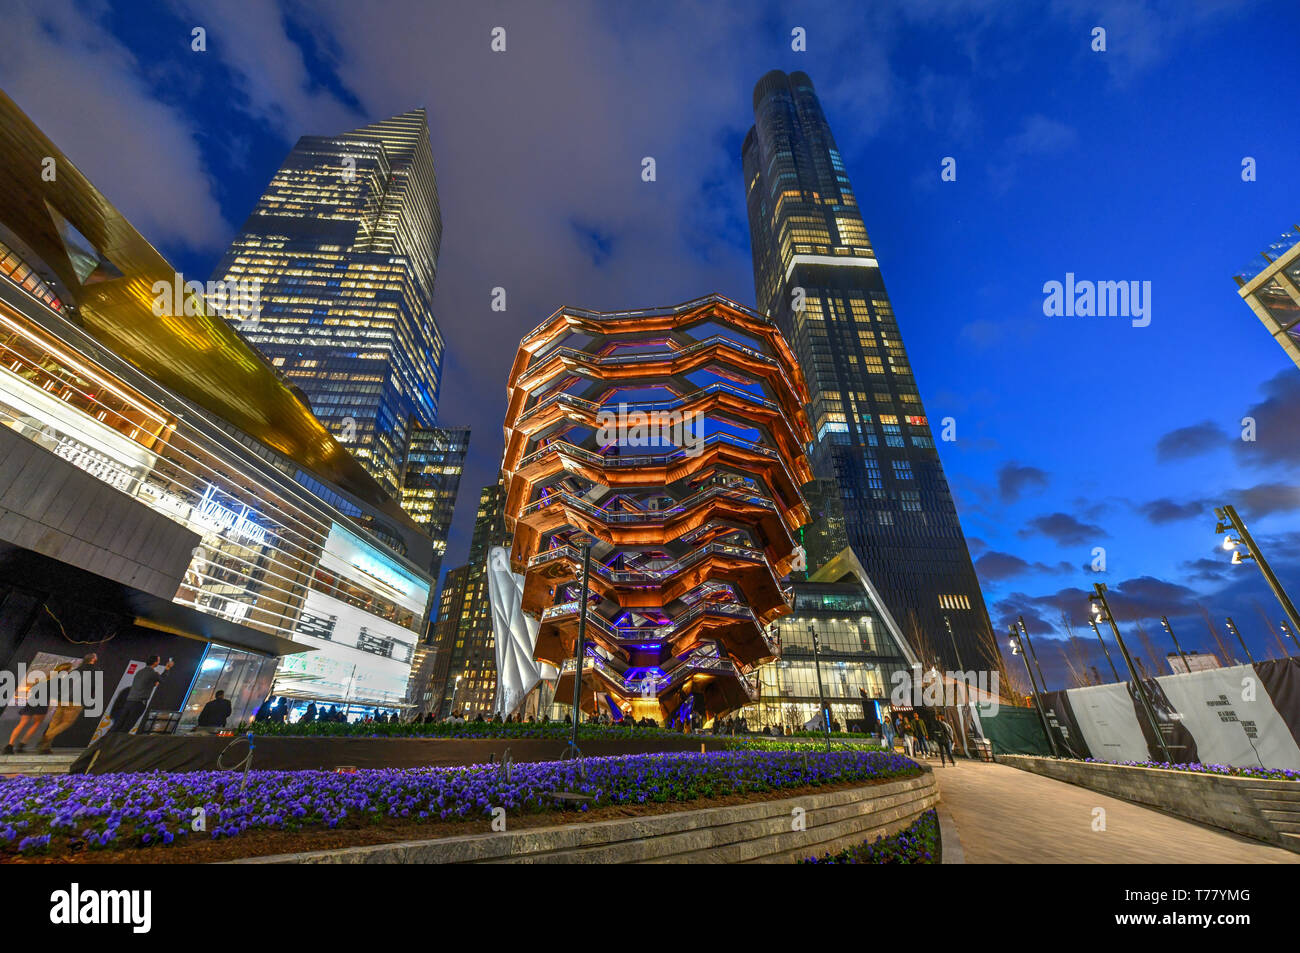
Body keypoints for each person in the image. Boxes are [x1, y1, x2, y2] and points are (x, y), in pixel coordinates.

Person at [38, 653, 98, 754]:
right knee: (67, 722)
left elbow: (64, 685)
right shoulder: (94, 672)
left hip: (63, 699)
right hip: (76, 700)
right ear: (93, 659)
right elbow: (92, 688)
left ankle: (45, 747)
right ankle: (47, 737)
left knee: (54, 723)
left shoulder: (75, 671)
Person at [111, 656, 174, 733]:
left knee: (118, 725)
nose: (159, 662)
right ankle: (117, 742)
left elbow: (146, 684)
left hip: (129, 702)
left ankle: (107, 742)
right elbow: (162, 679)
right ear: (155, 662)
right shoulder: (153, 673)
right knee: (127, 726)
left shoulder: (139, 672)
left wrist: (153, 683)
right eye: (158, 661)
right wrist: (167, 668)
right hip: (138, 703)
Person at [4, 668, 51, 754]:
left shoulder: (40, 683)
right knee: (36, 724)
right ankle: (22, 744)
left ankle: (9, 745)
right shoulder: (53, 684)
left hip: (31, 703)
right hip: (41, 704)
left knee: (21, 724)